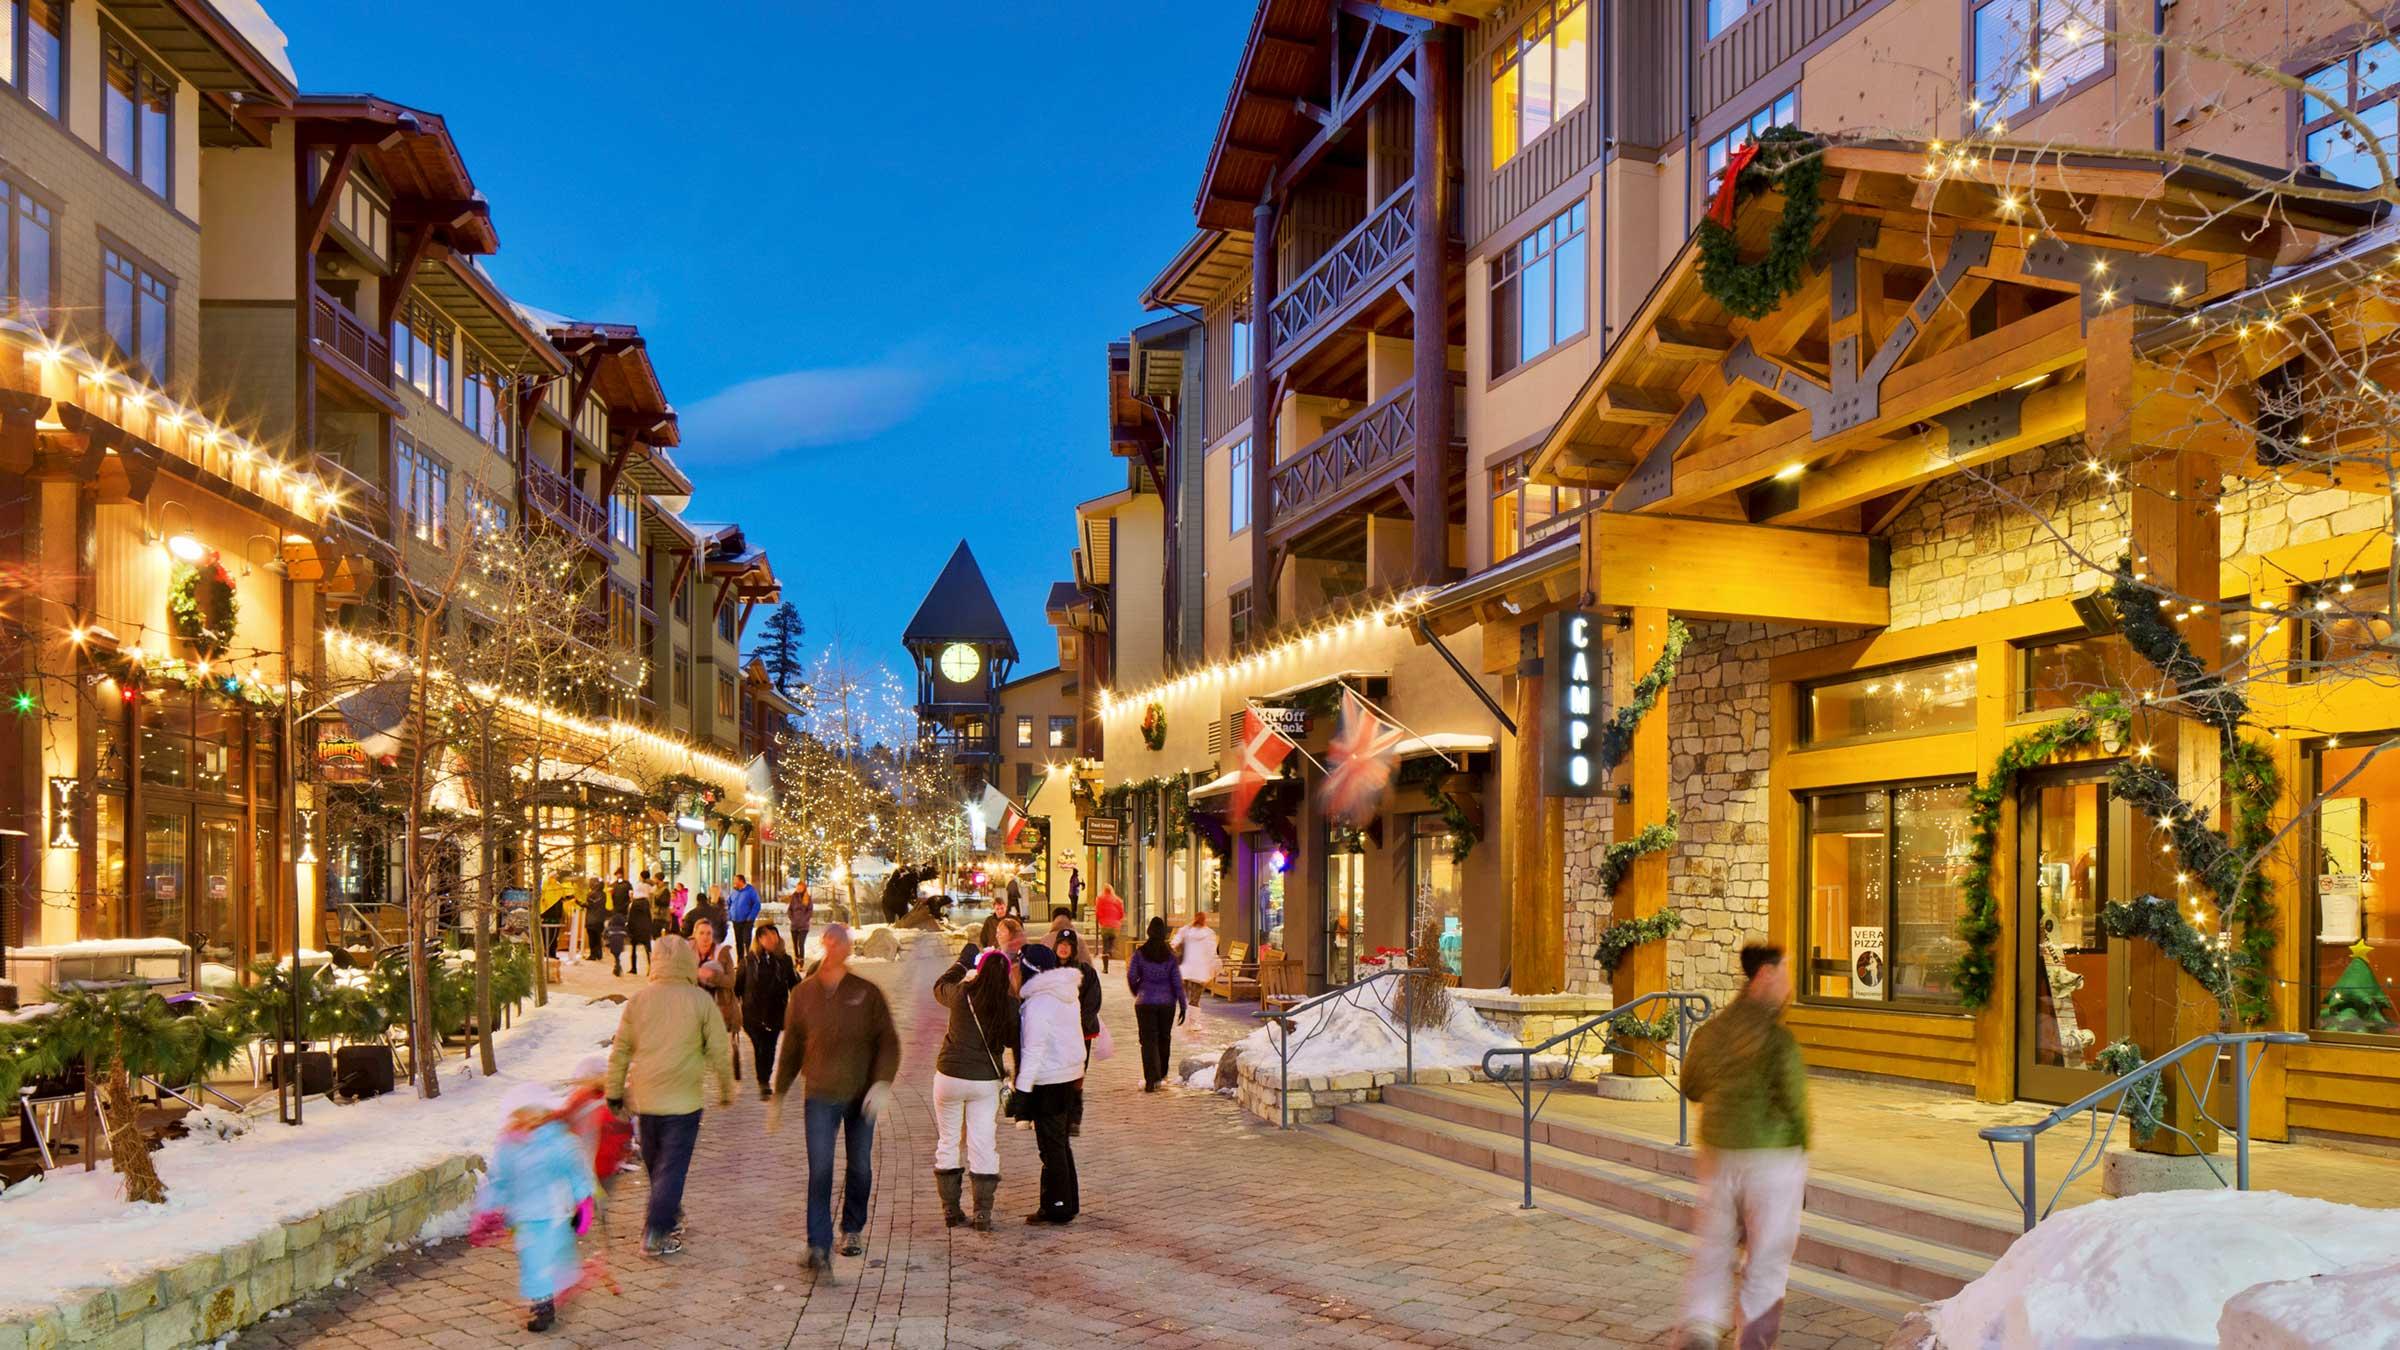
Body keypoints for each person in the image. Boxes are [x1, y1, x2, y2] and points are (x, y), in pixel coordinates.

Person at [1677, 945, 1810, 1350]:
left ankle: (1699, 1328)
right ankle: (1753, 1339)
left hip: (1718, 1152)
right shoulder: (1778, 1040)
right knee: (1767, 1257)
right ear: (1765, 976)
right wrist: (1800, 1150)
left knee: (1714, 1249)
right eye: (1785, 974)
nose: (1789, 985)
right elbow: (1795, 1104)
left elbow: (1691, 1085)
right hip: (1772, 1157)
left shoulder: (1712, 1032)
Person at [769, 923, 901, 1271]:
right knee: (821, 1168)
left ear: (848, 947)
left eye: (840, 942)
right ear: (823, 945)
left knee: (860, 1165)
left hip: (861, 1095)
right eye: (828, 941)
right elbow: (793, 1047)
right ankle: (818, 1244)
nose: (833, 947)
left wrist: (882, 1083)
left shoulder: (866, 993)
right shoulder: (804, 994)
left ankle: (852, 1228)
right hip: (820, 1095)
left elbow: (888, 1042)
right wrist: (779, 1092)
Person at [605, 934, 734, 1260]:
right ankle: (656, 1231)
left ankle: (668, 1215)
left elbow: (620, 1050)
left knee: (656, 1164)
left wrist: (614, 1092)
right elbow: (719, 1047)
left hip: (647, 1100)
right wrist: (725, 1087)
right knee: (672, 1168)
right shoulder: (700, 1000)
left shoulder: (640, 1001)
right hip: (684, 1101)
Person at [474, 1084, 597, 1333]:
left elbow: (576, 1174)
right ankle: (543, 1303)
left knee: (556, 1254)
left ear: (544, 1114)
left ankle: (556, 1288)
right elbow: (499, 1179)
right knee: (533, 1260)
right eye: (521, 1118)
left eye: (533, 1117)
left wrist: (584, 1201)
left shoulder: (559, 1142)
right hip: (524, 1217)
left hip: (555, 1212)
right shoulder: (508, 1147)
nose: (526, 1124)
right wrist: (486, 1209)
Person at [930, 945, 1015, 1230]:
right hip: (984, 1083)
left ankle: (950, 1210)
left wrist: (961, 962)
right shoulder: (1008, 1004)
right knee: (982, 1142)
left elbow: (939, 985)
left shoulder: (960, 995)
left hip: (949, 1077)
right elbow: (1016, 1039)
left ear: (979, 971)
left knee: (948, 1140)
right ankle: (982, 1213)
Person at [1012, 942, 1084, 1224]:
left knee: (1051, 1147)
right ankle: (1067, 1201)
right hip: (1068, 1077)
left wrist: (1022, 1090)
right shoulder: (1066, 995)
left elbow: (1033, 1050)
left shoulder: (1038, 1004)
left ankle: (1058, 1206)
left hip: (1048, 1081)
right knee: (1061, 1144)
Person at [735, 923, 799, 1099]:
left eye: (774, 935)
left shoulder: (784, 961)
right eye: (766, 936)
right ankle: (762, 1079)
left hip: (775, 1013)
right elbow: (737, 987)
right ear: (759, 939)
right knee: (759, 1046)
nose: (771, 939)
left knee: (769, 1047)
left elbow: (796, 985)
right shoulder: (748, 962)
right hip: (752, 1015)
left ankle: (764, 1081)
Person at [1127, 917, 1187, 1091]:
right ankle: (1160, 1075)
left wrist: (1138, 990)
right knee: (1163, 1038)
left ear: (1148, 932)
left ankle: (1150, 1079)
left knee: (1147, 1040)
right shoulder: (1170, 956)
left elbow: (1131, 976)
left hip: (1144, 1002)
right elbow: (1177, 982)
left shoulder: (1140, 953)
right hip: (1167, 1003)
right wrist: (1182, 1004)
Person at [1053, 928, 1103, 1137]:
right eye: (1061, 944)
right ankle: (1057, 1115)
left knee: (1076, 1075)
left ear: (1073, 949)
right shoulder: (1047, 972)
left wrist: (1079, 1025)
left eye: (1068, 945)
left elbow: (1093, 1002)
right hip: (1055, 1034)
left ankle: (1074, 1117)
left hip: (1080, 1033)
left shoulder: (1086, 972)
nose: (1064, 948)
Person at [693, 918, 742, 1083]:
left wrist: (712, 976)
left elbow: (731, 981)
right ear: (695, 935)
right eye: (701, 933)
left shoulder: (723, 953)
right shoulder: (686, 955)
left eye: (708, 933)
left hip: (720, 1006)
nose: (705, 937)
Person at [1173, 909, 1220, 1005]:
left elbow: (1174, 942)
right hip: (1200, 971)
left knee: (1186, 996)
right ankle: (1192, 1015)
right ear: (1204, 920)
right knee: (1195, 1000)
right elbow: (1212, 952)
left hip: (1187, 970)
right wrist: (1216, 966)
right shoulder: (1208, 933)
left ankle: (1187, 1012)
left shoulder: (1187, 930)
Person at [624, 879, 655, 975]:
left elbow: (631, 917)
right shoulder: (646, 904)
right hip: (645, 929)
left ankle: (634, 968)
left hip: (636, 929)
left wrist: (629, 928)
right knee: (648, 950)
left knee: (633, 949)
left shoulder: (634, 904)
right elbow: (649, 917)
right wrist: (650, 928)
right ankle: (651, 968)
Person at [727, 873, 762, 956]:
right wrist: (730, 914)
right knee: (738, 941)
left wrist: (751, 916)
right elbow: (729, 902)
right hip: (736, 920)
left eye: (735, 880)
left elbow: (757, 904)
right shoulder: (734, 891)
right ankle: (740, 960)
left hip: (747, 920)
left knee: (746, 940)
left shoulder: (750, 891)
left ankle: (749, 958)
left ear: (741, 881)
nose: (734, 882)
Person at [1094, 883, 1125, 973]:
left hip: (1105, 925)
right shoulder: (1117, 900)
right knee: (1111, 940)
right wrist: (1117, 921)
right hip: (1115, 926)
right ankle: (1111, 950)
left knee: (1105, 946)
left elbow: (1098, 912)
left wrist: (1101, 920)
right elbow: (1121, 913)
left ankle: (1105, 967)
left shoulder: (1100, 899)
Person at [583, 877, 607, 962]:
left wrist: (578, 902)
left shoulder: (590, 894)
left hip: (591, 920)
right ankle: (599, 953)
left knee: (592, 938)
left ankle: (593, 954)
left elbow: (589, 905)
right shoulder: (604, 894)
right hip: (600, 919)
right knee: (597, 936)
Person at [603, 906, 629, 978]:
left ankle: (617, 966)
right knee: (618, 955)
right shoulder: (623, 928)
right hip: (620, 944)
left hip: (612, 943)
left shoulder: (610, 928)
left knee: (616, 955)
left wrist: (605, 940)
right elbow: (627, 935)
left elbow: (604, 934)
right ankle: (617, 966)